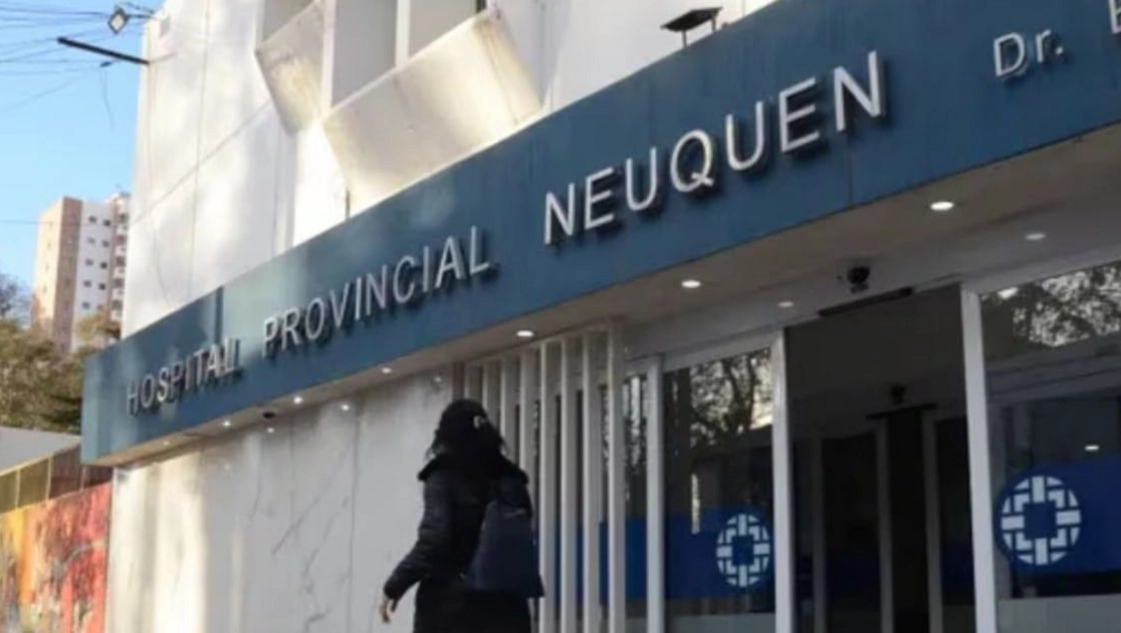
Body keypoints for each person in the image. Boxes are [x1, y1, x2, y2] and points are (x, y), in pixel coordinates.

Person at [379, 399, 534, 633]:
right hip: (509, 606)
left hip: (453, 606)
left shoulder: (443, 476)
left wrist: (395, 585)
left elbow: (434, 540)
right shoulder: (513, 480)